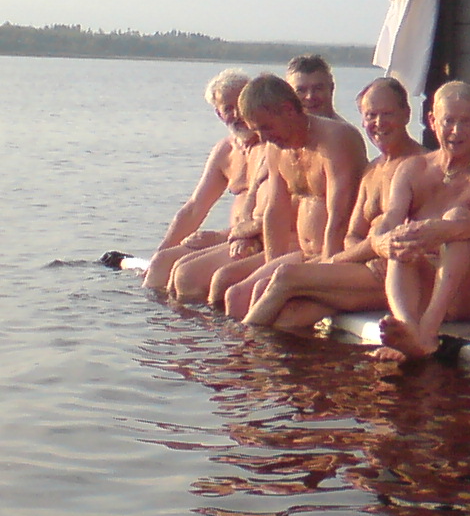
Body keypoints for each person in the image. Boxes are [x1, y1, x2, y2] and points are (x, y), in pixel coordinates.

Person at [241, 77, 424, 332]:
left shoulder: (423, 166)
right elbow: (353, 233)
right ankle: (275, 369)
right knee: (287, 318)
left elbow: (416, 237)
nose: (378, 123)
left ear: (406, 113)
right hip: (362, 267)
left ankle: (242, 350)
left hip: (400, 279)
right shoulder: (373, 170)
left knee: (284, 277)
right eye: (371, 116)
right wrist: (359, 254)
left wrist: (344, 261)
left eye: (387, 114)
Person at [371, 80, 470, 363]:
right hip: (430, 286)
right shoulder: (412, 168)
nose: (457, 131)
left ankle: (426, 331)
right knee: (403, 234)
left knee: (456, 217)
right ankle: (406, 327)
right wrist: (381, 242)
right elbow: (389, 218)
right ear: (432, 120)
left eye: (466, 121)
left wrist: (448, 229)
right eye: (449, 121)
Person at [220, 74, 369, 318]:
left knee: (268, 298)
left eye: (266, 127)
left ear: (288, 110)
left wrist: (325, 274)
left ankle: (251, 352)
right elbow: (275, 211)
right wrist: (273, 263)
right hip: (303, 254)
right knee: (236, 295)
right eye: (257, 131)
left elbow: (339, 216)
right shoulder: (275, 147)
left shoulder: (335, 139)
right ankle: (242, 353)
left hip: (338, 257)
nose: (264, 138)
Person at [146, 69, 258, 293]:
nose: (237, 114)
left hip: (255, 238)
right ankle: (152, 324)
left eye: (241, 104)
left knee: (186, 274)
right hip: (231, 238)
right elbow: (195, 208)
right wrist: (162, 251)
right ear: (219, 114)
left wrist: (219, 237)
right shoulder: (226, 150)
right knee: (162, 263)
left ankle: (197, 324)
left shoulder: (272, 145)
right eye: (228, 108)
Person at [284, 54, 337, 119]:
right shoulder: (277, 128)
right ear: (288, 93)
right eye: (301, 90)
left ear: (331, 89)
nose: (309, 97)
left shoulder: (343, 129)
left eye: (317, 89)